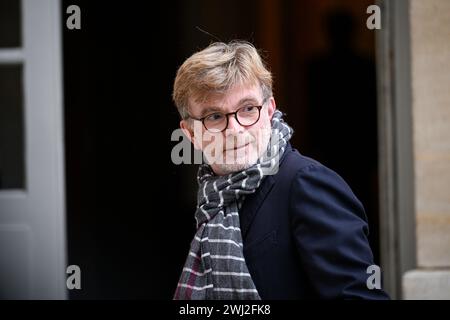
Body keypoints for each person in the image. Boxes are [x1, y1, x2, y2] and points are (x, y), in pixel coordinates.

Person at [171, 40, 389, 300]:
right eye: (214, 117)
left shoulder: (307, 184)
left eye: (248, 109)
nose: (235, 130)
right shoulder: (212, 200)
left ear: (270, 110)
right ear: (190, 133)